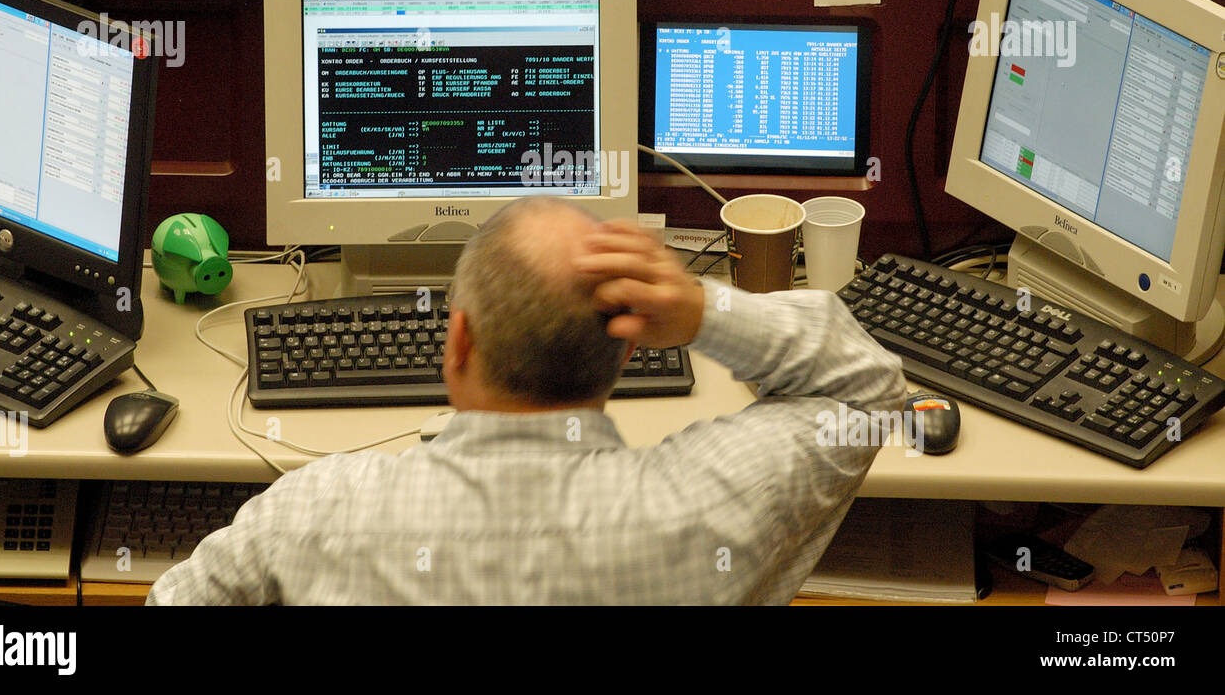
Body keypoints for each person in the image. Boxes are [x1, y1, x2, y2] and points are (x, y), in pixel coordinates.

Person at [147, 196, 905, 604]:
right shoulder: (703, 508)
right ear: (632, 347)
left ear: (457, 343)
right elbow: (867, 386)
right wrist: (704, 310)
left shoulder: (313, 512)